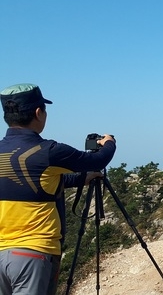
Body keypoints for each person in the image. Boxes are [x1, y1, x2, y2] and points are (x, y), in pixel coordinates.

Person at [0, 83, 116, 294]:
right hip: (34, 252)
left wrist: (83, 179)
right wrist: (109, 142)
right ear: (38, 112)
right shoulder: (49, 151)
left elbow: (35, 184)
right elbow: (98, 159)